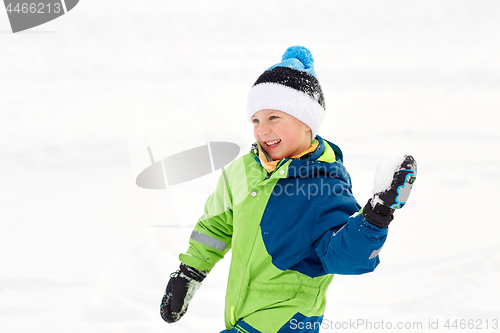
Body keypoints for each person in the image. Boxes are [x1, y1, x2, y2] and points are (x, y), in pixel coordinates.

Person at [160, 46, 417, 333]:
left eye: (274, 118)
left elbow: (345, 257)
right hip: (241, 315)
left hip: (288, 320)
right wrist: (190, 272)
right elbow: (216, 225)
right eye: (256, 120)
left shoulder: (324, 185)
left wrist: (376, 216)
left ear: (306, 122)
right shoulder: (244, 170)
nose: (262, 130)